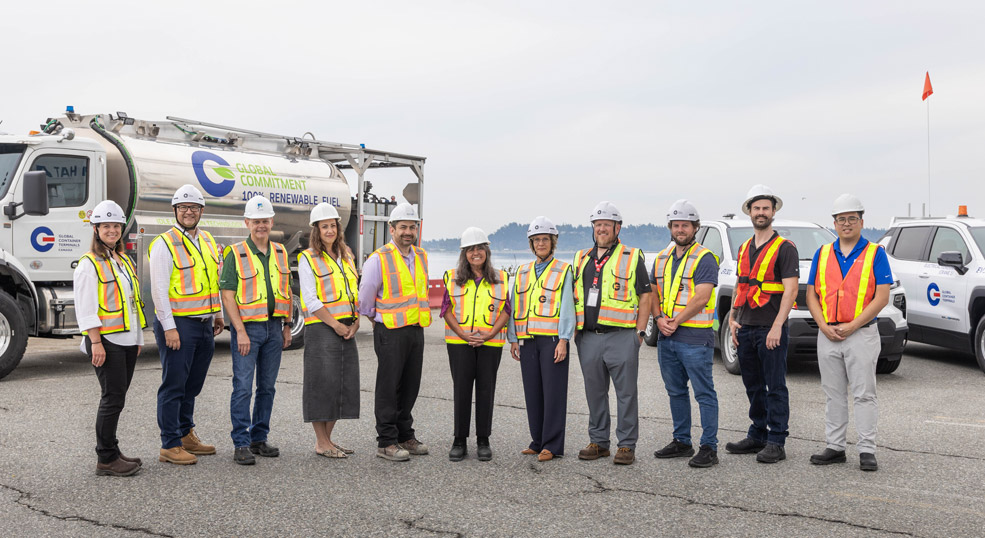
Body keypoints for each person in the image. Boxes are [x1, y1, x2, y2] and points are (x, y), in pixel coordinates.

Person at [805, 194, 891, 472]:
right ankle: (835, 446)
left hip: (861, 334)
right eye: (841, 219)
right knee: (833, 394)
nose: (846, 224)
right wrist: (823, 326)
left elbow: (881, 297)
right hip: (828, 333)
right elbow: (811, 295)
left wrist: (853, 325)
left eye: (851, 219)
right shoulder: (823, 253)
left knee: (864, 394)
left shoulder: (875, 253)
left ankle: (867, 449)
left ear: (861, 222)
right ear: (834, 223)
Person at [150, 184, 224, 465]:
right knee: (174, 384)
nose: (188, 212)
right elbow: (158, 290)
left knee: (192, 384)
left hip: (205, 323)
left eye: (193, 207)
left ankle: (185, 434)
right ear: (175, 211)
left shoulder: (206, 240)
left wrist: (218, 314)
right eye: (183, 208)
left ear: (202, 211)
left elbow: (212, 281)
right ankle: (169, 443)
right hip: (179, 325)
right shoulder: (164, 244)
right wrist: (169, 327)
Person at [573, 201, 652, 466]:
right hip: (589, 337)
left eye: (607, 225)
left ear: (617, 228)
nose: (601, 229)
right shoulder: (581, 257)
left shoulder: (632, 256)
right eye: (597, 225)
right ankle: (599, 442)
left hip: (622, 336)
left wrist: (639, 333)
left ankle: (626, 445)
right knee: (594, 392)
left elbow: (645, 296)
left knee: (626, 394)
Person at [725, 185, 799, 464]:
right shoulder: (745, 247)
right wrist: (733, 317)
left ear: (773, 211)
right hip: (745, 326)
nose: (761, 213)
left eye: (766, 208)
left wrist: (778, 326)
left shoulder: (785, 248)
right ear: (749, 212)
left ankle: (776, 440)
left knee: (775, 386)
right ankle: (757, 433)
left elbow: (790, 291)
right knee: (753, 385)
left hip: (771, 328)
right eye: (756, 208)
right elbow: (740, 284)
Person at [74, 200, 146, 477]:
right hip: (107, 341)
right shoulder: (88, 264)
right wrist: (95, 342)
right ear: (96, 230)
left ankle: (113, 450)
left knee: (119, 398)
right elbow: (86, 307)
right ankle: (105, 458)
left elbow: (131, 302)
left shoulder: (123, 260)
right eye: (106, 226)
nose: (112, 230)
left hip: (127, 340)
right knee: (112, 398)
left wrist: (138, 337)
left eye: (116, 225)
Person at [219, 196, 293, 465]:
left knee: (267, 388)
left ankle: (259, 439)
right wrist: (239, 331)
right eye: (256, 221)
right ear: (247, 223)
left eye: (265, 221)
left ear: (271, 222)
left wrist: (287, 327)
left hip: (274, 328)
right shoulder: (235, 253)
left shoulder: (281, 252)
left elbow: (287, 292)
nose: (261, 226)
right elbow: (227, 296)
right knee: (242, 388)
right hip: (248, 329)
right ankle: (241, 443)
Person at [358, 202, 431, 462]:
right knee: (389, 387)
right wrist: (373, 317)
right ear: (392, 229)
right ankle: (386, 441)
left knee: (410, 386)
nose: (408, 232)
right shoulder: (379, 258)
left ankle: (405, 434)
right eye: (403, 227)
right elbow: (365, 294)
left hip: (415, 329)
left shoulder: (421, 255)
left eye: (412, 227)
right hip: (389, 330)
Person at [650, 200, 721, 468]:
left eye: (686, 225)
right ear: (670, 227)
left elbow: (702, 297)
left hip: (694, 338)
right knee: (675, 391)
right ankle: (682, 441)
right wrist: (658, 319)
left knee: (704, 393)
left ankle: (709, 447)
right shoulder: (661, 258)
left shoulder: (705, 257)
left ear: (695, 227)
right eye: (676, 225)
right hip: (668, 337)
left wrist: (675, 321)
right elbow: (654, 292)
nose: (681, 230)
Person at [508, 216, 574, 462]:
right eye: (536, 240)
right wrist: (513, 338)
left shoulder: (563, 270)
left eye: (545, 239)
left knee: (553, 392)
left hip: (552, 340)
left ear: (553, 242)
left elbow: (568, 306)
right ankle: (537, 441)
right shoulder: (523, 271)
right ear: (531, 244)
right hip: (527, 341)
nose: (541, 244)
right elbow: (514, 305)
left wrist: (564, 339)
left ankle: (553, 444)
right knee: (533, 392)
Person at [442, 227, 510, 462]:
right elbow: (446, 310)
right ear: (464, 254)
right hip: (460, 344)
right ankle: (459, 440)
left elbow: (506, 311)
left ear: (487, 251)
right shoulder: (452, 277)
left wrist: (491, 334)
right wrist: (462, 333)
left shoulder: (501, 278)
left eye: (480, 248)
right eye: (470, 249)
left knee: (485, 391)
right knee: (461, 391)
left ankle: (483, 440)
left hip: (490, 344)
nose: (475, 253)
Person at [298, 203, 360, 459]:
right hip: (323, 327)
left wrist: (355, 323)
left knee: (343, 384)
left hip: (347, 326)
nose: (330, 230)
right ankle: (321, 442)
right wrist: (335, 324)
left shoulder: (346, 254)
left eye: (333, 225)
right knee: (322, 385)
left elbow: (354, 289)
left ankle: (329, 440)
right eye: (324, 226)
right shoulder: (307, 258)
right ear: (316, 230)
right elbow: (311, 300)